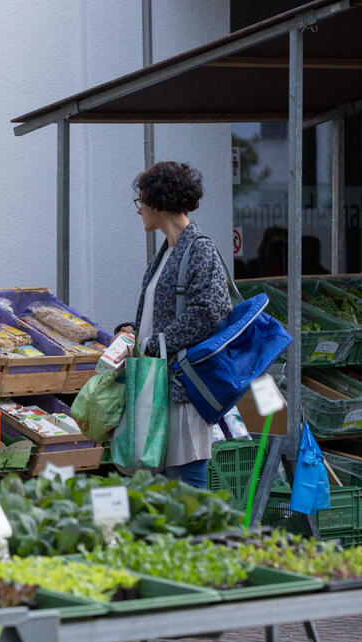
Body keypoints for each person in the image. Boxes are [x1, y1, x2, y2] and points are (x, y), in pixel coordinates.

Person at [130, 162, 231, 488]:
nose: (140, 209)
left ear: (160, 201)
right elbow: (161, 314)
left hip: (182, 389)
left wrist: (154, 342)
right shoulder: (168, 252)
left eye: (141, 201)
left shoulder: (199, 249)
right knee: (162, 494)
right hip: (159, 386)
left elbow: (210, 313)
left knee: (187, 492)